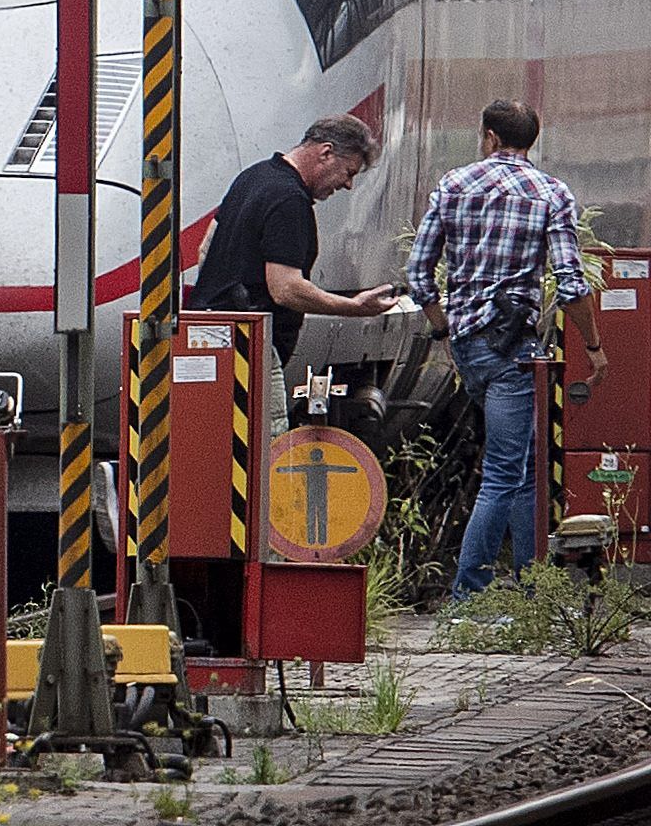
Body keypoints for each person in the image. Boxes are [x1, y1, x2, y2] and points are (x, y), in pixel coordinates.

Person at [405, 99, 607, 598]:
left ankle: (533, 582)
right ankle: (468, 596)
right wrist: (595, 347)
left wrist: (443, 332)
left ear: (490, 136)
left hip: (469, 345)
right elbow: (570, 281)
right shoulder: (550, 193)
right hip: (514, 352)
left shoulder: (454, 184)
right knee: (504, 472)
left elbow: (418, 274)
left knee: (524, 466)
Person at [190, 114, 395, 438]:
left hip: (207, 334)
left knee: (211, 441)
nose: (347, 185)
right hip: (251, 343)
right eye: (348, 172)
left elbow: (205, 248)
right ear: (326, 153)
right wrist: (354, 306)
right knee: (263, 445)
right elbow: (285, 290)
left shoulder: (253, 177)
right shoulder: (289, 201)